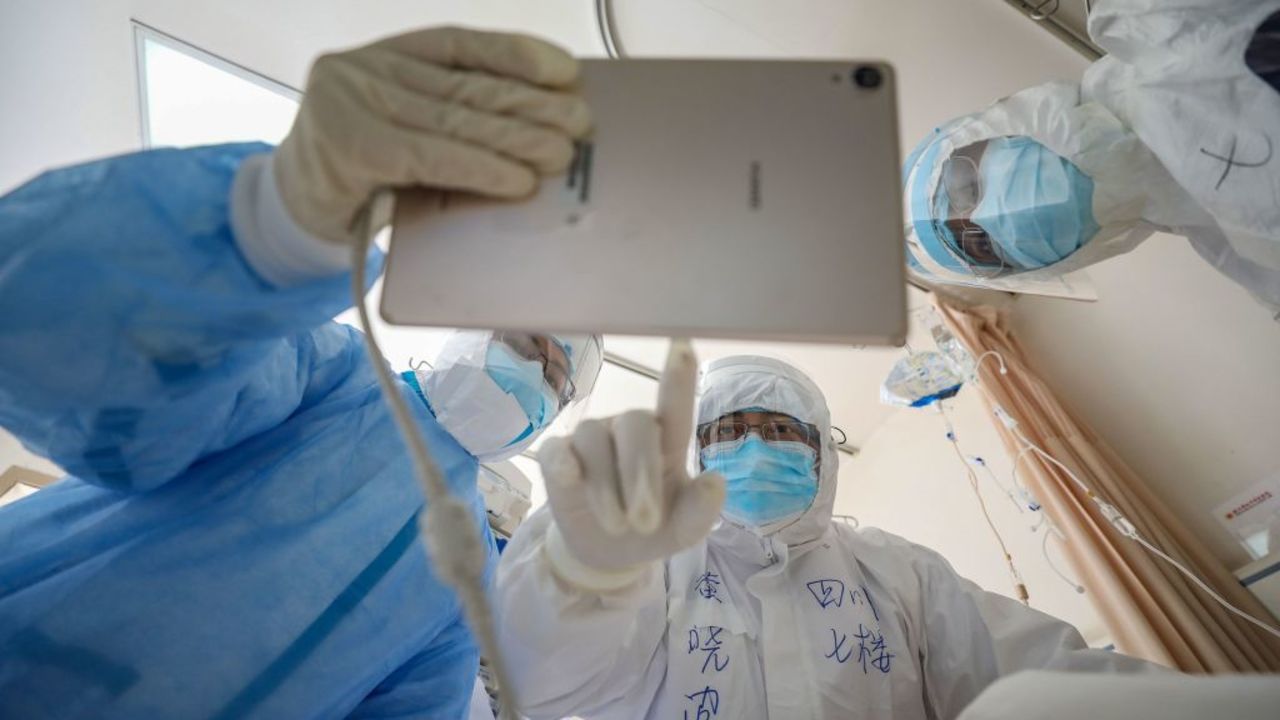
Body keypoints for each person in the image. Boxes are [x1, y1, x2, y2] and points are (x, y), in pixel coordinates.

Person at [0, 27, 601, 718]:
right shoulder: (331, 376)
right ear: (471, 329)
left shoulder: (465, 588)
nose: (532, 378)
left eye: (555, 384)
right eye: (525, 344)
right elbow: (80, 375)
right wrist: (270, 228)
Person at [494, 343, 1159, 720]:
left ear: (822, 452)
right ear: (694, 451)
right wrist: (583, 577)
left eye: (782, 430)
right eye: (729, 431)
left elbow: (1044, 679)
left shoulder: (899, 574)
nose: (755, 445)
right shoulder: (653, 564)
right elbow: (540, 688)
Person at [903, 0, 1280, 314]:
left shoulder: (1150, 13)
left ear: (988, 130)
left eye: (965, 187)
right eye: (983, 245)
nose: (990, 215)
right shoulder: (1253, 263)